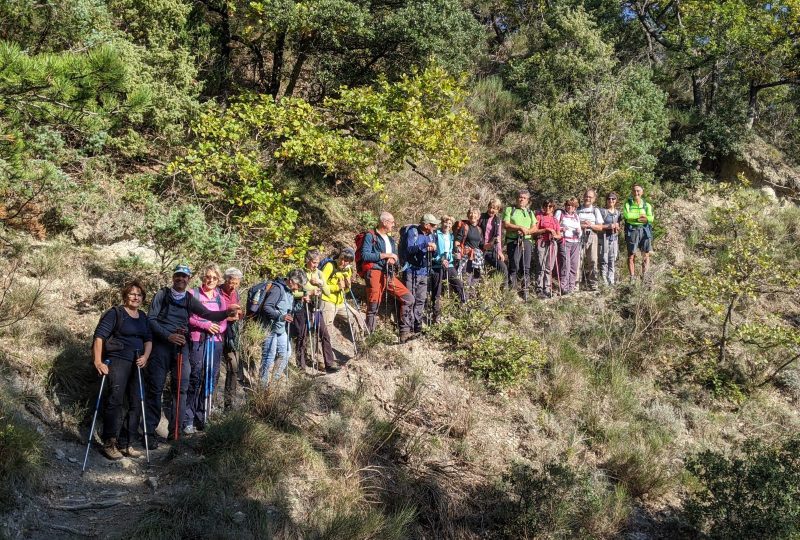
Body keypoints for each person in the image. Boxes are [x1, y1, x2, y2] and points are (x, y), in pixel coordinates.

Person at [146, 265, 239, 447]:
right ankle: (149, 432)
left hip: (182, 347)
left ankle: (176, 432)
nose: (181, 279)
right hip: (161, 347)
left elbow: (207, 314)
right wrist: (167, 335)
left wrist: (226, 313)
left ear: (189, 279)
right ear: (174, 277)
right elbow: (151, 319)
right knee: (155, 388)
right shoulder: (162, 295)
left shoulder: (189, 298)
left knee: (181, 388)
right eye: (178, 275)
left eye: (185, 276)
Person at [91, 280, 152, 460]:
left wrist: (146, 357)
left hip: (138, 362)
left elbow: (148, 339)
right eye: (132, 294)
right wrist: (97, 361)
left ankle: (127, 443)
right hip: (118, 359)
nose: (135, 297)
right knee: (115, 399)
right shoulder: (115, 313)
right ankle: (110, 442)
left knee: (136, 401)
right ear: (125, 296)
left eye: (139, 295)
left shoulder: (143, 317)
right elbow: (99, 337)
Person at [184, 264, 227, 434]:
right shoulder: (192, 294)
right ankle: (188, 418)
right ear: (203, 277)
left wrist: (218, 329)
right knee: (195, 376)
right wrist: (206, 325)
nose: (210, 280)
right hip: (196, 340)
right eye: (208, 276)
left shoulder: (220, 298)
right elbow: (187, 317)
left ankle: (203, 417)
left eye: (214, 277)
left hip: (215, 342)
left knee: (211, 377)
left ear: (218, 280)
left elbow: (224, 320)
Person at [360, 212, 414, 342]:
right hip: (375, 272)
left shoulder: (390, 239)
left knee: (409, 298)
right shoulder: (370, 236)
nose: (394, 224)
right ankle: (369, 338)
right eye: (392, 222)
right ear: (384, 222)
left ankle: (404, 333)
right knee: (373, 305)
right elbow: (365, 255)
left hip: (388, 274)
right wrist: (385, 256)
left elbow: (395, 256)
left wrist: (393, 260)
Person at [259, 269, 307, 385]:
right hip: (269, 328)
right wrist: (281, 317)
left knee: (286, 353)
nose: (298, 289)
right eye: (298, 285)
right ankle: (262, 386)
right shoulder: (277, 289)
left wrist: (300, 302)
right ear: (291, 281)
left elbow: (290, 311)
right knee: (268, 357)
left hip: (280, 329)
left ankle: (273, 383)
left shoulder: (289, 291)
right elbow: (267, 307)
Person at [294, 250, 338, 373]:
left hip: (316, 307)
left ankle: (329, 364)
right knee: (302, 336)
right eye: (313, 262)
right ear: (307, 260)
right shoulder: (300, 273)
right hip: (302, 307)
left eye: (317, 262)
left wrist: (320, 283)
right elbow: (293, 292)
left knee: (324, 334)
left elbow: (328, 292)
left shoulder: (319, 273)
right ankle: (301, 367)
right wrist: (308, 292)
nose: (316, 265)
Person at [401, 214, 439, 335]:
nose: (435, 227)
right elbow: (409, 249)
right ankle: (406, 329)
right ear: (426, 225)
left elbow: (433, 255)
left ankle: (417, 327)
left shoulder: (431, 235)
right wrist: (424, 245)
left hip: (424, 271)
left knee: (421, 300)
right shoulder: (413, 232)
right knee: (409, 300)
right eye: (433, 225)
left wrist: (434, 250)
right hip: (411, 271)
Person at [430, 215, 466, 322]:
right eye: (446, 223)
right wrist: (439, 259)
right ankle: (436, 316)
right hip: (437, 265)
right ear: (442, 223)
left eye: (450, 224)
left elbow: (450, 251)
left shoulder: (451, 236)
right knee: (437, 290)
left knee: (459, 285)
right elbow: (432, 252)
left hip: (449, 264)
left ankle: (459, 309)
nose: (448, 225)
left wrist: (454, 256)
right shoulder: (436, 234)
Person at [503, 189, 537, 298]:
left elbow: (535, 227)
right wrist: (519, 228)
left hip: (526, 240)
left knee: (526, 266)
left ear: (528, 200)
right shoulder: (510, 209)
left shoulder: (530, 212)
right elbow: (506, 224)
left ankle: (525, 290)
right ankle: (512, 290)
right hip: (513, 240)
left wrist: (527, 231)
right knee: (514, 265)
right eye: (519, 197)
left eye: (524, 198)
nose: (521, 199)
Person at [219, 267, 244, 409]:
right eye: (231, 282)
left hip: (232, 335)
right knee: (215, 370)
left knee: (233, 368)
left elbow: (240, 313)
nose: (233, 286)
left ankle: (229, 403)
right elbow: (212, 313)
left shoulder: (236, 294)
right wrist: (228, 315)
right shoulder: (217, 292)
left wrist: (239, 313)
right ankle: (209, 404)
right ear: (225, 279)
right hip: (217, 334)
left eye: (236, 283)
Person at [576, 189, 605, 292]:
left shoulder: (595, 210)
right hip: (579, 236)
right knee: (578, 260)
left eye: (590, 197)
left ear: (594, 199)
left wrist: (591, 225)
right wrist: (581, 225)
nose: (587, 198)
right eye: (586, 196)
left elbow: (600, 227)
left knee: (593, 260)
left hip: (592, 235)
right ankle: (576, 285)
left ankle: (593, 284)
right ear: (583, 197)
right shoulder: (577, 209)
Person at [623, 184, 654, 279]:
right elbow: (627, 216)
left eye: (638, 191)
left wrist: (645, 219)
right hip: (632, 230)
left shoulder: (647, 205)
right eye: (634, 191)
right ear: (632, 192)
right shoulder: (628, 204)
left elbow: (651, 218)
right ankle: (632, 277)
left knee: (646, 254)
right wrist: (639, 218)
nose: (636, 193)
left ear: (642, 192)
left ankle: (645, 276)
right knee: (631, 255)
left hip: (644, 230)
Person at [532, 200, 562, 298]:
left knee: (549, 267)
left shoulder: (555, 220)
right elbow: (534, 231)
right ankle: (539, 288)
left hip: (552, 244)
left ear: (553, 208)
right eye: (545, 206)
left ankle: (547, 288)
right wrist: (545, 230)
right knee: (541, 266)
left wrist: (555, 235)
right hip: (541, 242)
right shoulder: (539, 217)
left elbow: (559, 235)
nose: (547, 208)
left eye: (550, 206)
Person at [478, 199, 508, 283]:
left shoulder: (498, 220)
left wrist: (499, 251)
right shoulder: (480, 217)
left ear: (498, 210)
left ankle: (504, 291)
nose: (492, 210)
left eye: (494, 208)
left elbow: (498, 236)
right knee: (478, 271)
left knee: (503, 268)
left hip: (492, 249)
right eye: (490, 207)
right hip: (480, 248)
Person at [555, 199, 581, 295]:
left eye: (572, 206)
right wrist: (562, 228)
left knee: (574, 265)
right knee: (566, 264)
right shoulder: (560, 213)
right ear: (565, 206)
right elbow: (555, 225)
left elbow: (580, 230)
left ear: (575, 207)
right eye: (568, 205)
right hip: (564, 241)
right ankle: (563, 287)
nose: (570, 207)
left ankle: (571, 287)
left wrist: (579, 232)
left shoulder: (576, 216)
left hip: (575, 242)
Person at [454, 208, 485, 286]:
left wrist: (492, 242)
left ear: (478, 216)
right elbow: (457, 241)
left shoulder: (479, 229)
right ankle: (465, 297)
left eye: (475, 213)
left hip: (476, 257)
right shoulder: (464, 227)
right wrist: (458, 250)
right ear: (468, 215)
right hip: (466, 257)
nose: (472, 215)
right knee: (466, 279)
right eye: (471, 213)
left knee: (476, 279)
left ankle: (472, 296)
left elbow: (481, 245)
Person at [599, 193, 622, 285]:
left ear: (616, 200)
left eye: (613, 199)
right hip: (604, 239)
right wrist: (608, 226)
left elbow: (619, 226)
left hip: (614, 239)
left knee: (612, 259)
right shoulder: (602, 212)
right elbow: (598, 226)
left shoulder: (618, 213)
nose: (611, 200)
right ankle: (604, 281)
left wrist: (617, 227)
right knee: (604, 260)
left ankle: (611, 281)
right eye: (609, 198)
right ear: (606, 200)